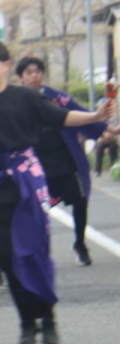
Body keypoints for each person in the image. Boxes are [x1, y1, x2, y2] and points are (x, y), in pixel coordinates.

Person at [0, 41, 112, 344]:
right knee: (6, 256)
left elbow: (61, 117)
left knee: (35, 251)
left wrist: (95, 116)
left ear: (5, 66)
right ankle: (27, 321)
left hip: (27, 179)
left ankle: (48, 318)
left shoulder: (25, 97)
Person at [16, 55, 113, 266]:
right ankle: (33, 250)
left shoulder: (55, 97)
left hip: (63, 156)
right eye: (29, 73)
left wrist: (106, 128)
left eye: (38, 72)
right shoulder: (15, 100)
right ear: (21, 77)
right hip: (34, 162)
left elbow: (79, 113)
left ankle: (80, 243)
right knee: (34, 208)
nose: (34, 76)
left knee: (80, 200)